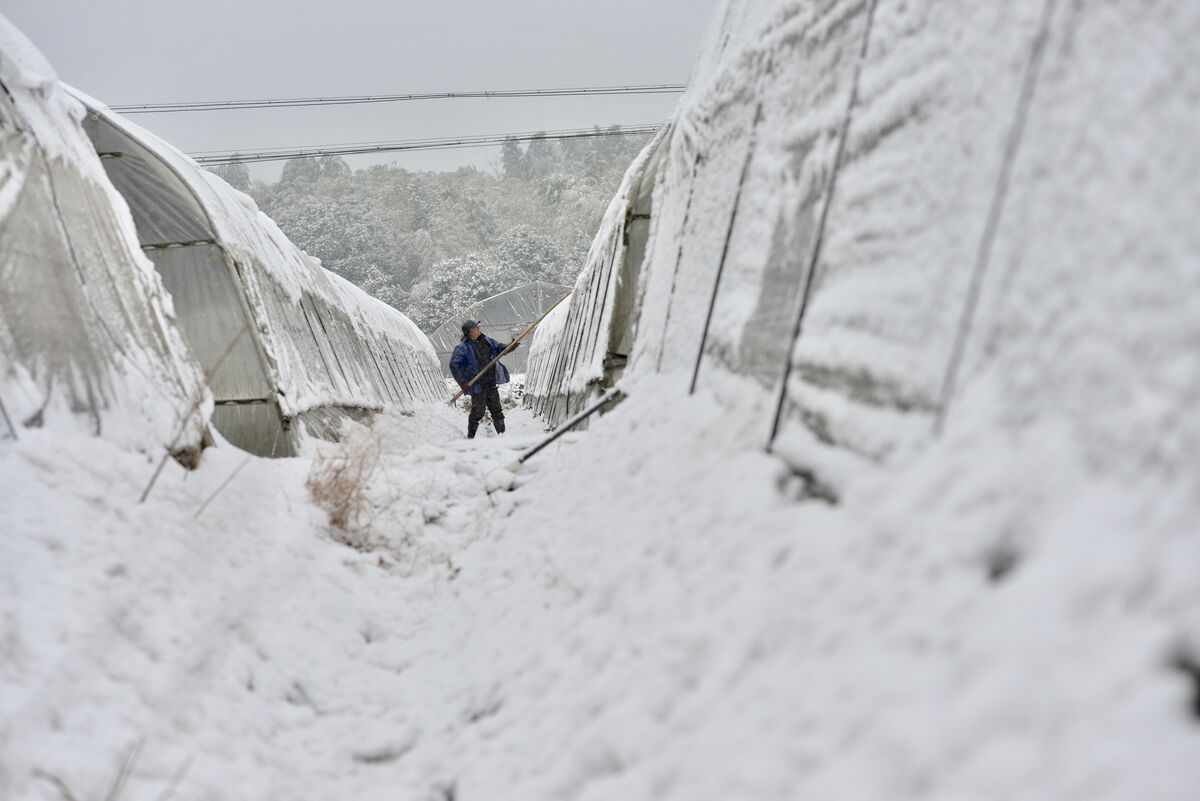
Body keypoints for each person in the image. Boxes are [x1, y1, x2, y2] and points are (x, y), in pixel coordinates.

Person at [449, 320, 518, 439]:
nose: (478, 328)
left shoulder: (487, 341)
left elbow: (500, 348)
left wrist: (510, 346)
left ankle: (503, 436)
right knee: (478, 413)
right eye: (475, 327)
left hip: (490, 383)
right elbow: (454, 365)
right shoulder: (463, 347)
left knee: (497, 411)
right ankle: (470, 437)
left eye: (477, 326)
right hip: (478, 385)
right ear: (469, 332)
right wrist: (462, 382)